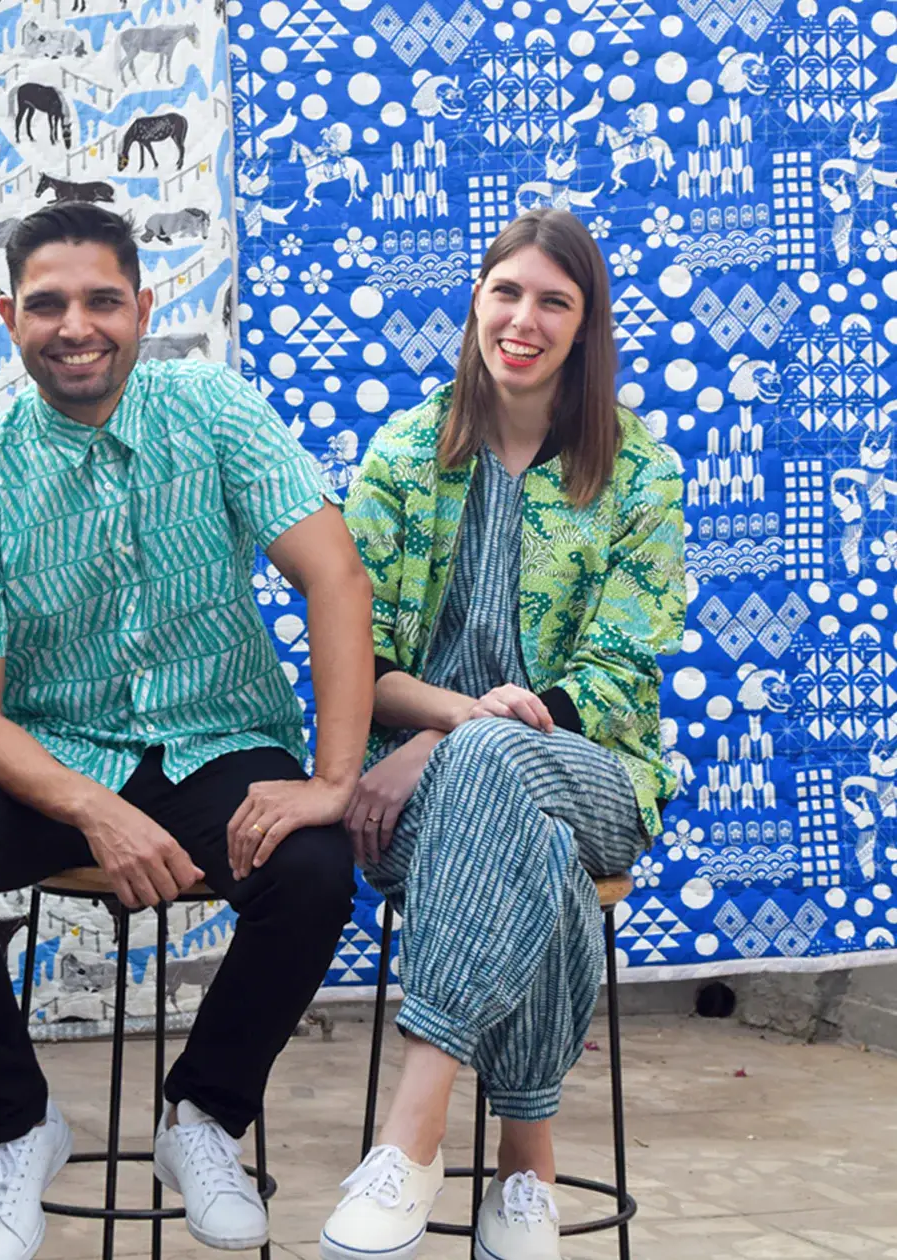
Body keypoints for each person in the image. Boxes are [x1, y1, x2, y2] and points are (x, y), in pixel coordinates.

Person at [0, 202, 374, 1260]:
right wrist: (92, 807)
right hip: (57, 751)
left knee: (317, 866)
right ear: (10, 319)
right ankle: (18, 1126)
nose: (76, 325)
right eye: (46, 304)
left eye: (103, 299)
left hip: (216, 734)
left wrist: (332, 779)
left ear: (143, 309)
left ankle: (202, 1117)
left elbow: (334, 573)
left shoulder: (212, 409)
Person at [323, 208, 685, 1260]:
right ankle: (525, 1173)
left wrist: (452, 734)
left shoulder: (640, 474)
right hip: (439, 809)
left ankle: (414, 1133)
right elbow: (361, 662)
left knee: (497, 766)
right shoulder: (406, 455)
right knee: (533, 842)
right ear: (477, 302)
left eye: (553, 301)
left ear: (586, 325)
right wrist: (457, 724)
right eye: (507, 293)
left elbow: (617, 673)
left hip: (599, 778)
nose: (524, 320)